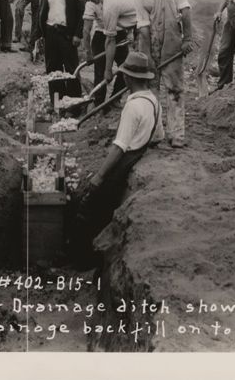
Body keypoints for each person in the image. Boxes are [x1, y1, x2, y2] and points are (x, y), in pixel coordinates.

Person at [69, 51, 164, 268]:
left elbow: (119, 147)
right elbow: (159, 136)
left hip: (124, 163)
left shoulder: (132, 106)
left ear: (129, 78)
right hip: (137, 155)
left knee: (89, 206)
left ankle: (81, 262)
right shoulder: (153, 101)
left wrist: (99, 177)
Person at [129, 0, 195, 148]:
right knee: (152, 89)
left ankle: (177, 135)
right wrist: (146, 54)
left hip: (172, 40)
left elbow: (185, 11)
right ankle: (155, 133)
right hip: (152, 40)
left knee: (175, 88)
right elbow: (143, 27)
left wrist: (188, 38)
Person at [78, 0, 151, 105]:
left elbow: (110, 40)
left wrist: (108, 70)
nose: (90, 1)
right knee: (101, 72)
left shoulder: (109, 4)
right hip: (141, 26)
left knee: (131, 68)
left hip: (147, 28)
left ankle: (118, 101)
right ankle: (99, 104)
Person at [36, 0, 83, 73]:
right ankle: (56, 91)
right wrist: (40, 34)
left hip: (67, 34)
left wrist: (77, 34)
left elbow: (81, 13)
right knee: (52, 68)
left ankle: (73, 91)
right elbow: (40, 12)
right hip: (50, 31)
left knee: (71, 68)